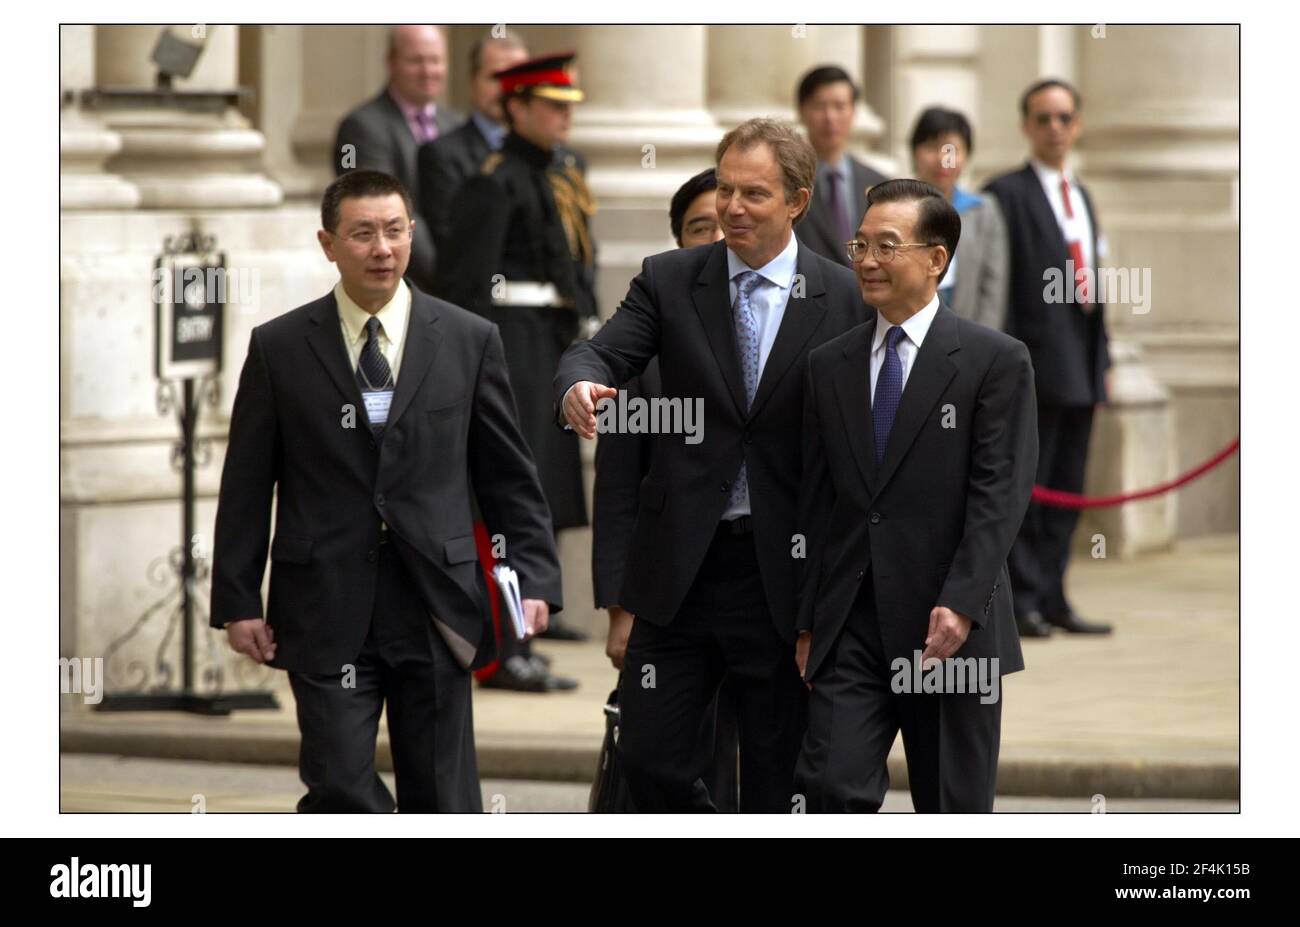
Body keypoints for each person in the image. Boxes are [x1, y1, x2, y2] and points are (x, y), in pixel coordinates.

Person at [209, 170, 562, 812]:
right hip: (323, 602)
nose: (382, 248)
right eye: (363, 233)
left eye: (394, 231)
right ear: (328, 243)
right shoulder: (280, 347)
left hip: (436, 602)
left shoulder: (467, 338)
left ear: (412, 234)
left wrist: (534, 577)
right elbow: (246, 485)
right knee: (338, 782)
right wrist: (237, 601)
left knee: (441, 792)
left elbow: (508, 475)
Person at [556, 118, 870, 812]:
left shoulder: (842, 295)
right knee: (648, 755)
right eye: (725, 189)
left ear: (797, 200)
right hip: (680, 575)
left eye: (753, 194)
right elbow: (600, 352)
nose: (731, 207)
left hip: (784, 578)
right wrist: (579, 384)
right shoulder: (671, 279)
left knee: (774, 768)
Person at [793, 179, 1037, 812]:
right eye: (860, 245)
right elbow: (815, 503)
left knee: (951, 802)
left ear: (937, 259)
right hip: (853, 622)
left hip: (950, 626)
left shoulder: (994, 361)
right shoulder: (830, 364)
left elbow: (998, 497)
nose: (868, 261)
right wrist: (806, 620)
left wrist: (960, 602)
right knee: (828, 787)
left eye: (887, 246)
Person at [437, 51, 597, 674]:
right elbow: (466, 284)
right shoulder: (493, 179)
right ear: (517, 108)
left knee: (547, 488)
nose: (563, 118)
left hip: (549, 339)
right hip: (513, 343)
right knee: (513, 482)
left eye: (567, 107)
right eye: (551, 107)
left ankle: (535, 616)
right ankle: (504, 641)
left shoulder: (564, 173)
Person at [592, 167, 739, 811]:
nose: (713, 238)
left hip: (765, 583)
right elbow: (619, 487)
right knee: (663, 755)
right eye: (696, 228)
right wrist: (620, 608)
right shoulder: (642, 352)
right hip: (670, 592)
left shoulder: (788, 330)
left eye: (724, 226)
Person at [984, 79, 1112, 638]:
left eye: (1064, 117)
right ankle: (1025, 600)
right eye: (1043, 118)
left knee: (1068, 487)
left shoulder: (1080, 194)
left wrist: (1101, 361)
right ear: (1026, 126)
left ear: (1077, 124)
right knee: (1028, 490)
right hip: (1033, 369)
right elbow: (1002, 287)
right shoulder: (1005, 193)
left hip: (1081, 368)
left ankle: (1056, 594)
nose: (1054, 128)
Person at [333, 25, 462, 294]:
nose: (428, 71)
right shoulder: (363, 128)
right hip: (406, 287)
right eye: (416, 61)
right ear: (391, 62)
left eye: (435, 60)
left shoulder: (455, 124)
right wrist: (450, 277)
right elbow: (386, 214)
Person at [417, 32, 530, 258]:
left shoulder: (547, 155)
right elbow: (452, 244)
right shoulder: (441, 155)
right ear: (472, 80)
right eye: (496, 77)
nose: (506, 88)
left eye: (516, 78)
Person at [909, 106, 1009, 330]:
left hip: (967, 332)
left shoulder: (983, 210)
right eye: (932, 148)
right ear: (915, 152)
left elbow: (993, 286)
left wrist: (983, 342)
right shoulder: (897, 209)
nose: (943, 159)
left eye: (952, 150)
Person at [795, 66, 889, 267]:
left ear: (853, 111)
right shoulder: (789, 182)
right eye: (819, 106)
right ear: (801, 111)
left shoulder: (879, 183)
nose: (830, 118)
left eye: (839, 106)